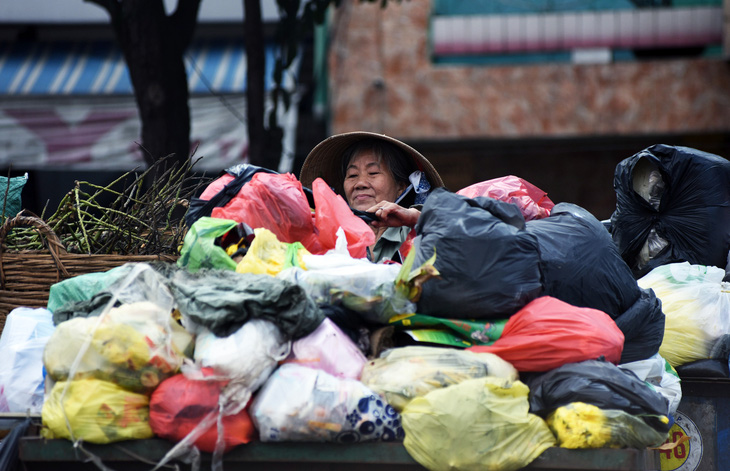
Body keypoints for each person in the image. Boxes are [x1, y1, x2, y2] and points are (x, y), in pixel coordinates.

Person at [300, 131, 444, 263]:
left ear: (401, 187)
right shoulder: (331, 236)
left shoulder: (418, 232)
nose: (360, 183)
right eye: (352, 175)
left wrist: (415, 218)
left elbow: (458, 233)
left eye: (373, 173)